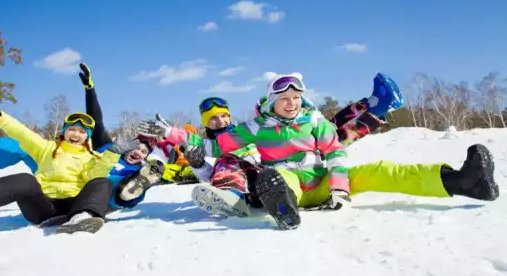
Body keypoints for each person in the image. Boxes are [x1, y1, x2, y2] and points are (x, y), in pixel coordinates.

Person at [138, 73, 499, 230]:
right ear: (271, 101)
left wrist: (340, 187)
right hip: (288, 182)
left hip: (323, 181)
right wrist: (173, 134)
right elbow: (214, 146)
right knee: (275, 176)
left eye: (296, 98)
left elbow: (336, 152)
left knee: (381, 170)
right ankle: (282, 208)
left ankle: (463, 181)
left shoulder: (317, 122)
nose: (291, 104)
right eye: (284, 99)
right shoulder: (254, 128)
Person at [0, 63, 165, 221]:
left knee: (106, 183)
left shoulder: (110, 158)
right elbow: (24, 132)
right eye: (136, 146)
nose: (138, 151)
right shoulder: (104, 146)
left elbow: (98, 174)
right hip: (53, 176)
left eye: (144, 151)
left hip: (88, 191)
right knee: (24, 147)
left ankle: (127, 193)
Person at [0, 88, 131, 234]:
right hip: (43, 208)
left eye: (82, 132)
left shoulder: (92, 157)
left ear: (87, 136)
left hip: (75, 207)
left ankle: (82, 220)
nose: (76, 134)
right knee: (25, 180)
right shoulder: (46, 148)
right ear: (64, 130)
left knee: (102, 182)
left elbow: (93, 178)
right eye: (72, 129)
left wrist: (112, 155)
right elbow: (22, 133)